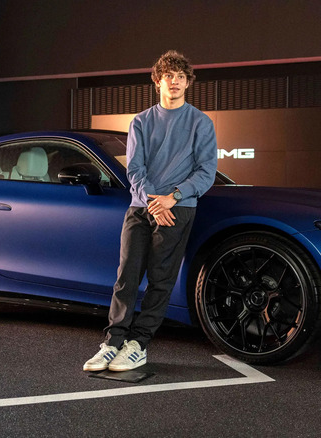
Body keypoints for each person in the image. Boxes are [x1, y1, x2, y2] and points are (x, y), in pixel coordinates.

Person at [84, 50, 218, 372]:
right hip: (140, 208)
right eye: (169, 76)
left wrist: (171, 197)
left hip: (177, 209)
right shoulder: (141, 121)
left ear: (187, 83)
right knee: (126, 278)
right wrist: (151, 200)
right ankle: (113, 341)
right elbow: (135, 168)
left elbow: (206, 171)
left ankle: (138, 344)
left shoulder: (201, 122)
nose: (175, 82)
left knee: (161, 279)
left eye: (181, 77)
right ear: (157, 80)